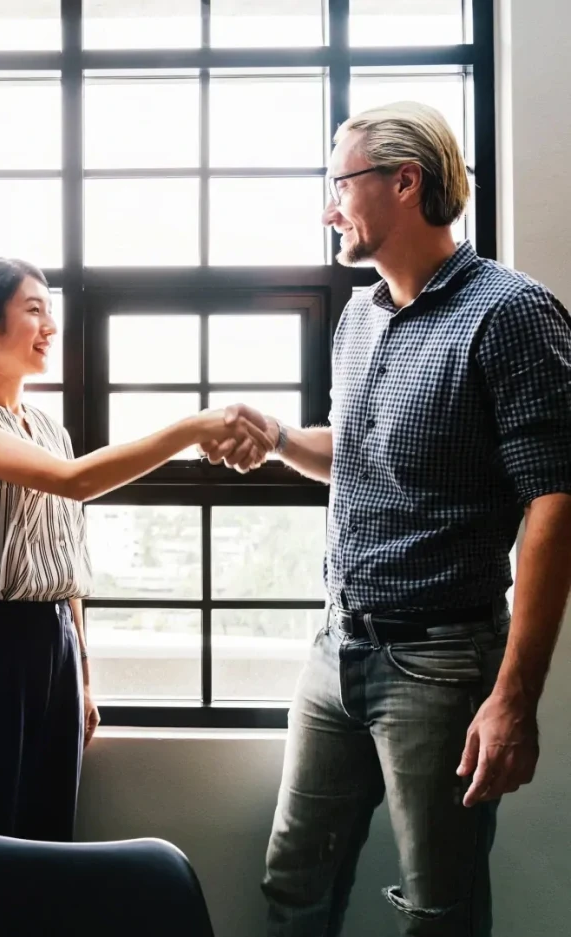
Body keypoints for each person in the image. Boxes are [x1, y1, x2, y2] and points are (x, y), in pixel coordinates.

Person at [205, 102, 571, 936]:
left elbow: (556, 500)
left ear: (405, 182)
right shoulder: (360, 315)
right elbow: (364, 450)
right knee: (293, 886)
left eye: (338, 185)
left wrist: (514, 698)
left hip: (441, 664)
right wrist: (281, 440)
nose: (328, 207)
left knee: (438, 909)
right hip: (336, 650)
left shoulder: (511, 314)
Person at [0, 256, 268, 863]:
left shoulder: (48, 428)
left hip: (52, 645)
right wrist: (190, 428)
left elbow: (65, 556)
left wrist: (82, 675)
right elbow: (74, 483)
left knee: (49, 842)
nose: (49, 324)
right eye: (34, 310)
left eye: (49, 310)